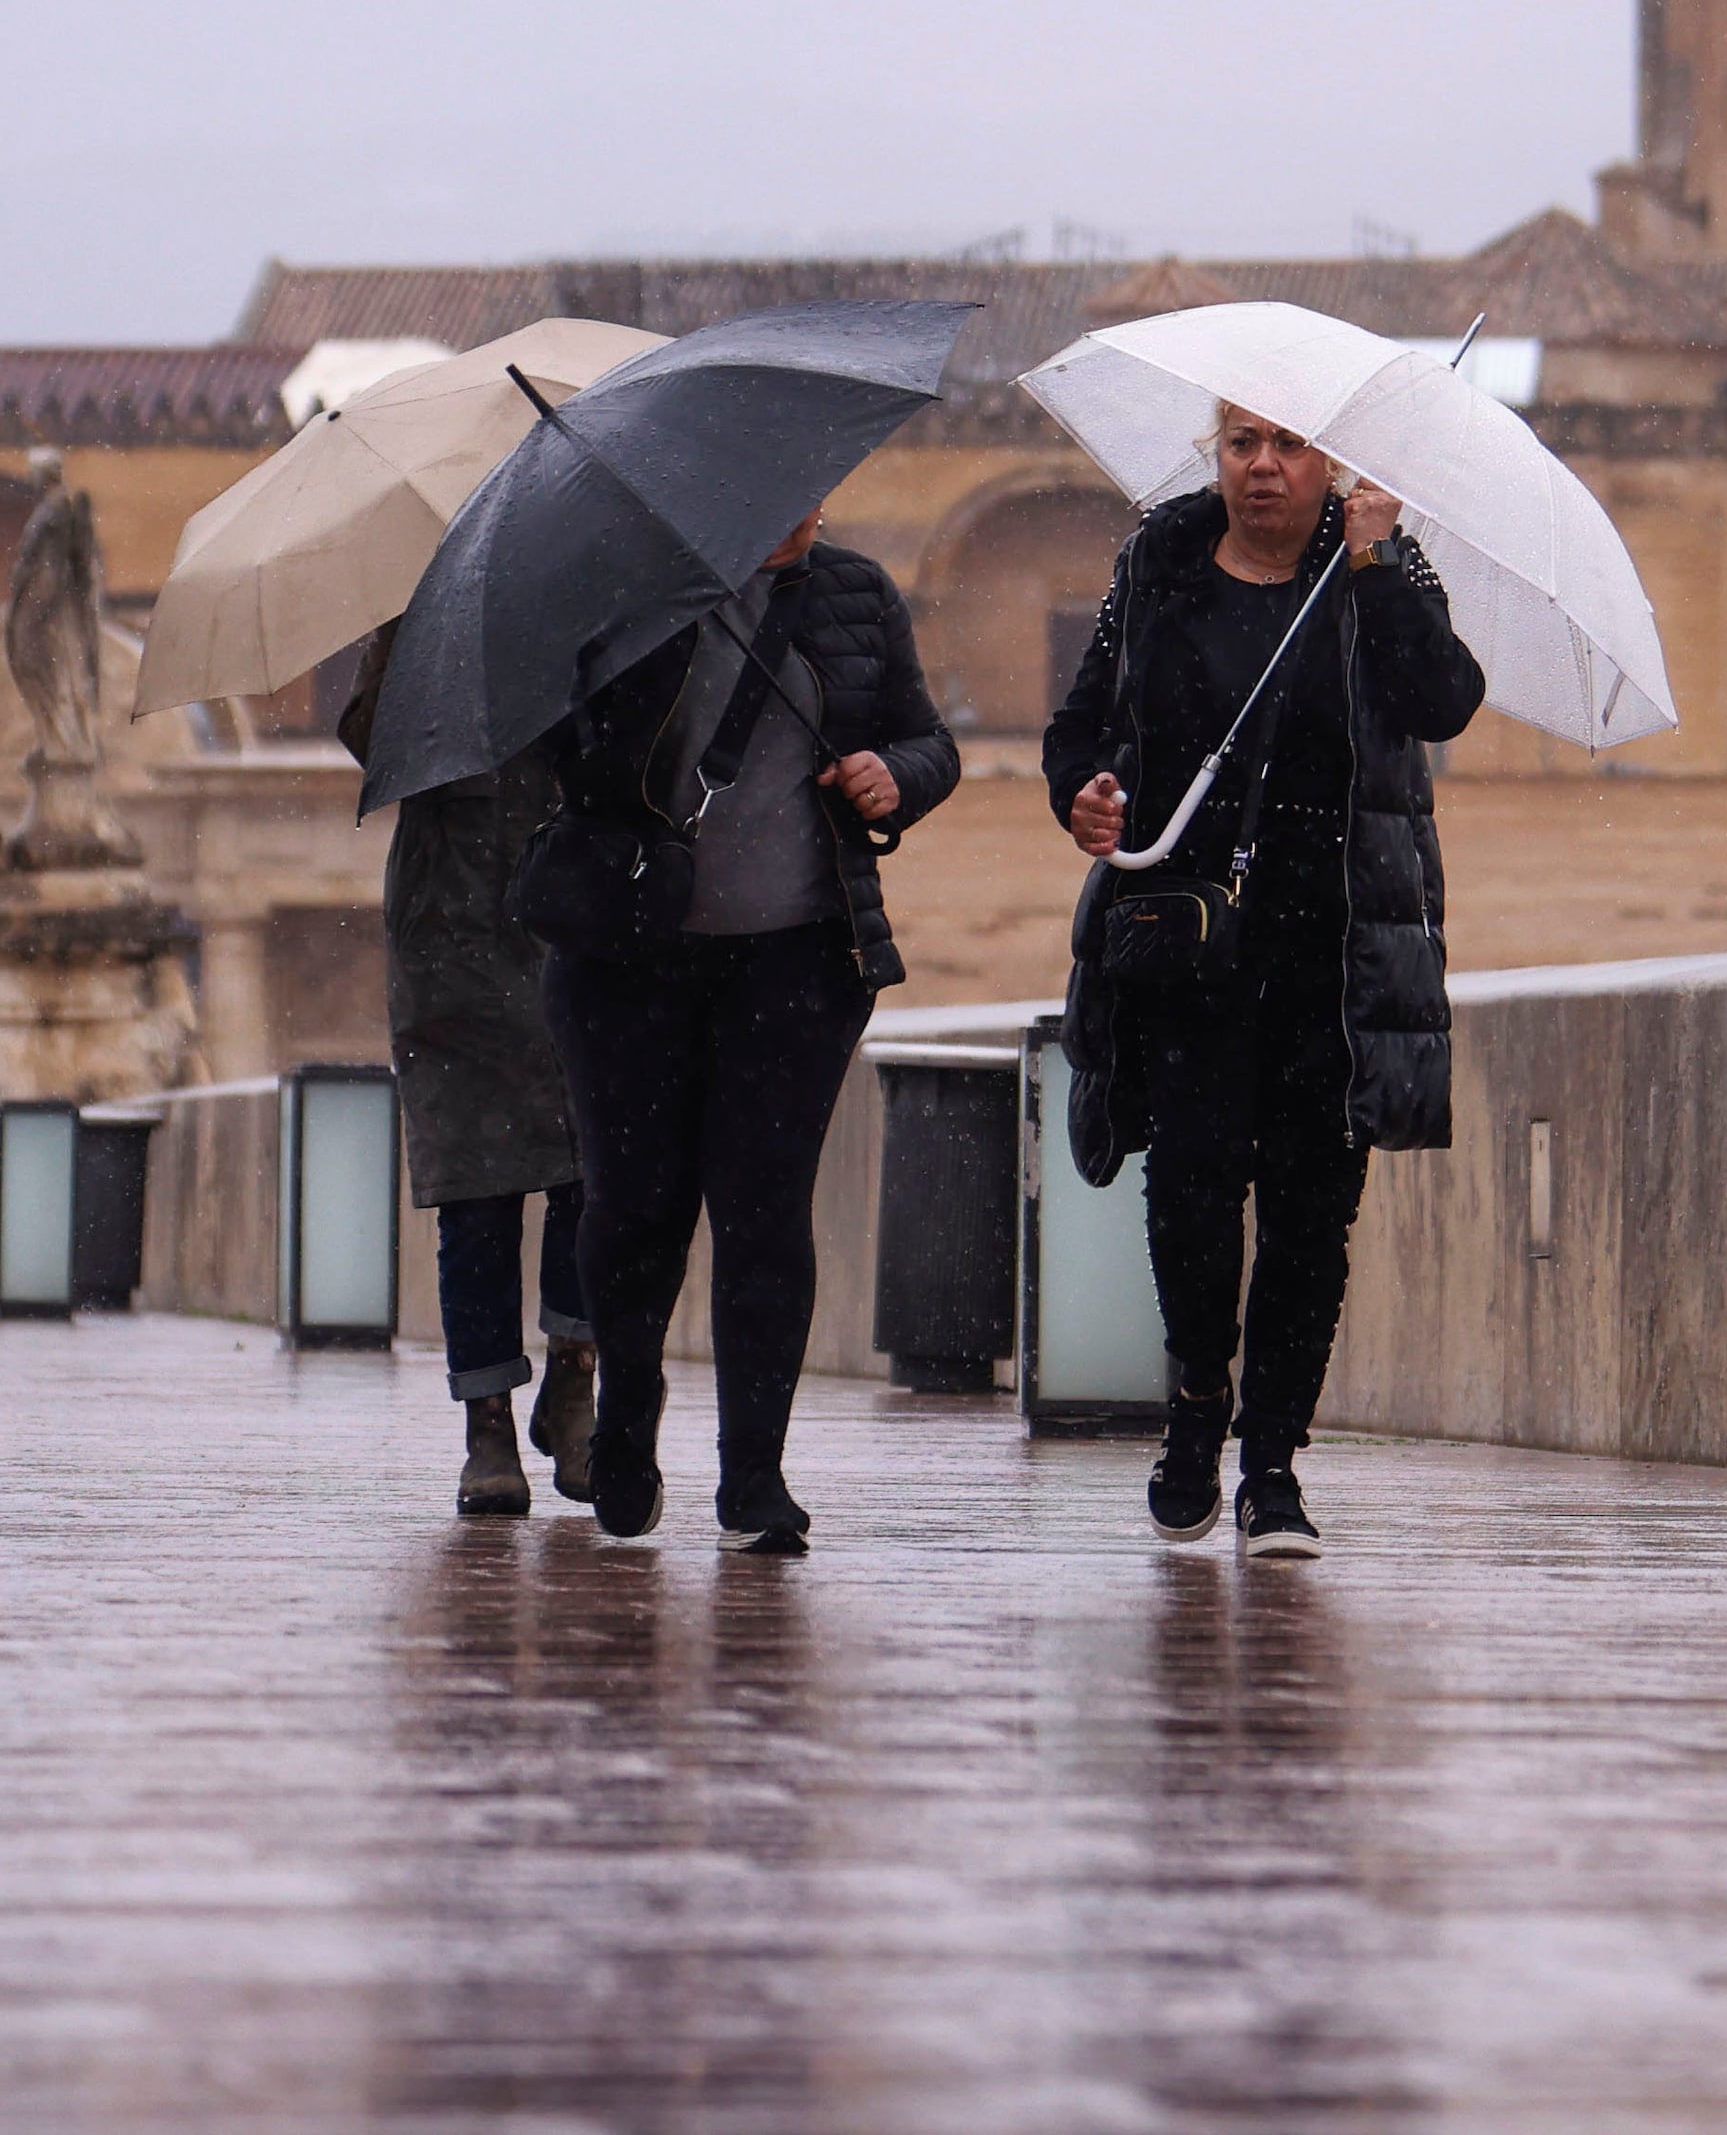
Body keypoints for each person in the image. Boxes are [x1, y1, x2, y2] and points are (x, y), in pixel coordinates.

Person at [1046, 405, 1483, 1559]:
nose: (1265, 466)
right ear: (1215, 454)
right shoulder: (1155, 565)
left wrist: (1377, 562)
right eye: (1242, 442)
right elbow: (1084, 721)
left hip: (1332, 952)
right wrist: (1082, 794)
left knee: (1308, 1217)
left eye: (1289, 445)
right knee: (1189, 1196)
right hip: (1185, 944)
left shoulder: (1379, 565)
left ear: (1329, 461)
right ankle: (1197, 1400)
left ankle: (1273, 1462)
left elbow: (1442, 700)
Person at [529, 506, 954, 1552]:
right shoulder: (622, 596)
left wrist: (893, 776)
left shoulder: (853, 595)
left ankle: (754, 1476)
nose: (794, 510)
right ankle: (624, 1424)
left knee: (764, 1212)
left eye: (810, 488)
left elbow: (927, 736)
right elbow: (561, 763)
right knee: (634, 1211)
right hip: (629, 957)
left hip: (800, 956)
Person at [341, 620, 593, 1517]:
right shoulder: (425, 619)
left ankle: (574, 1374)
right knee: (475, 1202)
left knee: (591, 1178)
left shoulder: (592, 605)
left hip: (571, 924)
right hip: (449, 946)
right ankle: (487, 1421)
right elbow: (372, 747)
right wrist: (411, 644)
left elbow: (636, 746)